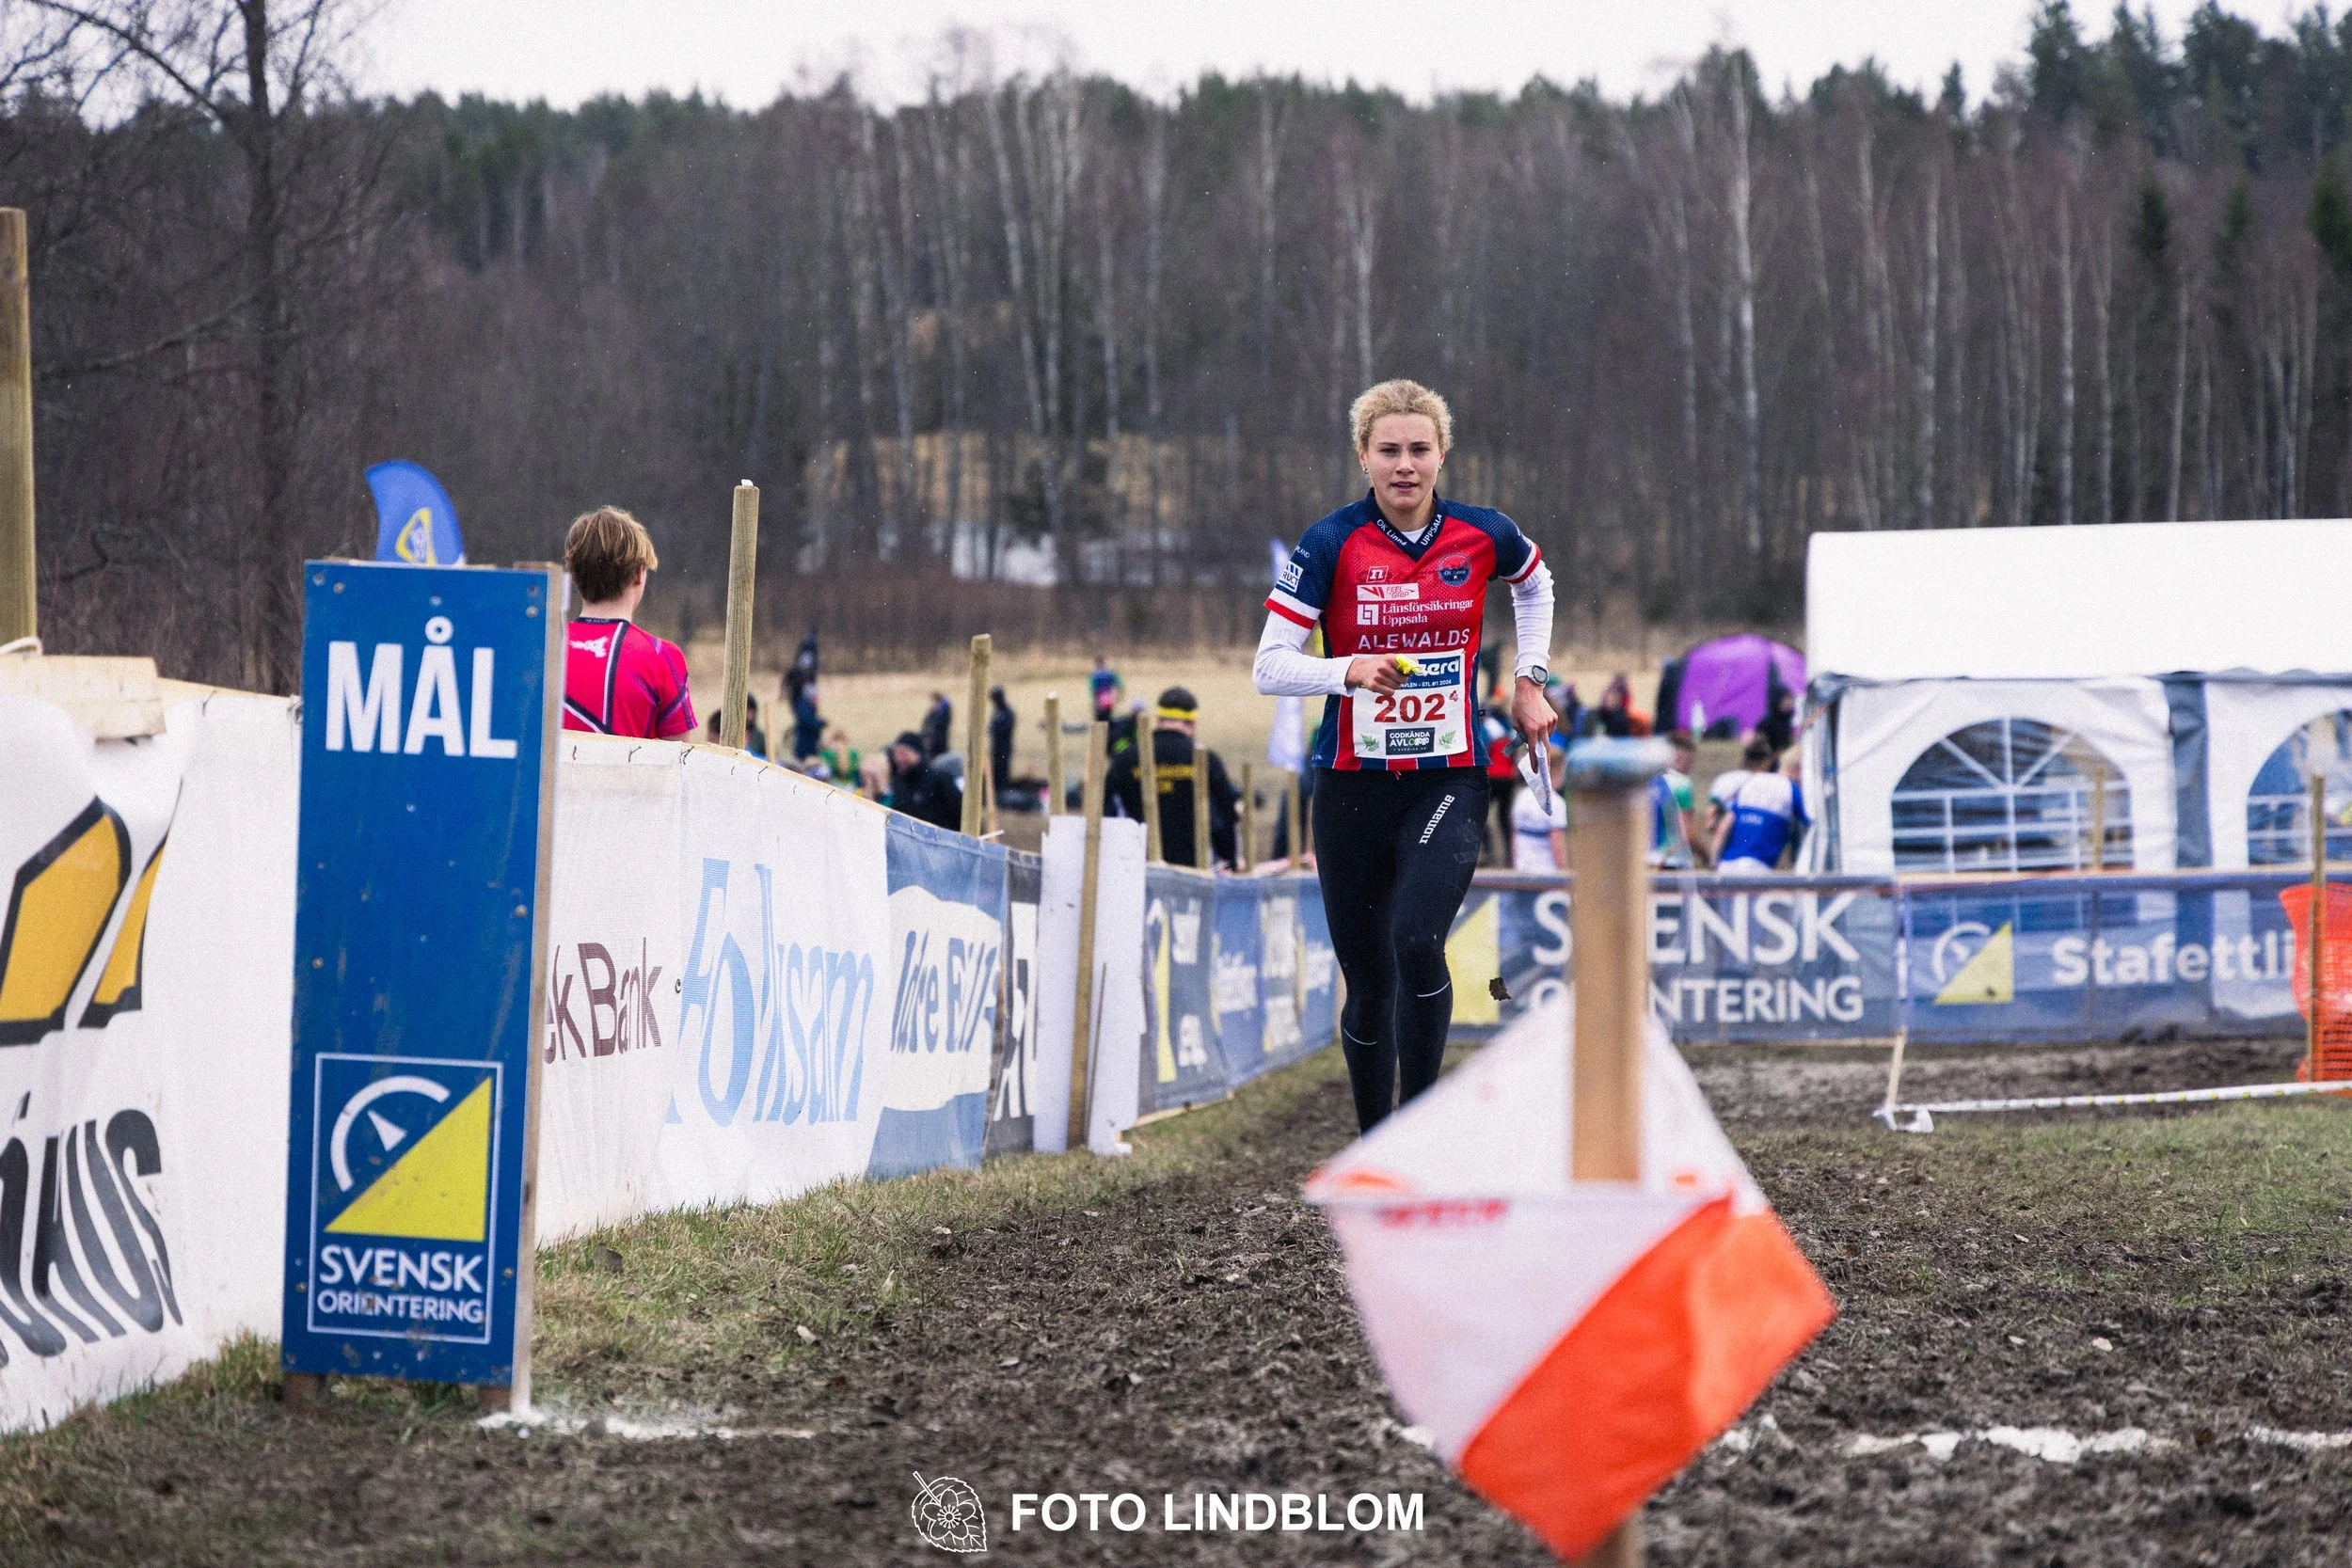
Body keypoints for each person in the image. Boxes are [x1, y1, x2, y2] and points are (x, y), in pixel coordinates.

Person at [1253, 378, 1555, 1132]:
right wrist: (1345, 670)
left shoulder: (1483, 533)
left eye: (1420, 449)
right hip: (1351, 788)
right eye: (1389, 450)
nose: (1405, 465)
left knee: (1419, 940)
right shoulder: (1330, 542)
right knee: (1368, 987)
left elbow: (1535, 585)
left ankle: (1419, 1134)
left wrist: (1529, 679)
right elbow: (1267, 666)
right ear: (1363, 457)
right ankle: (1375, 1142)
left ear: (1442, 454)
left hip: (1447, 779)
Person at [562, 506, 698, 740]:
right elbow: (679, 764)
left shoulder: (540, 649)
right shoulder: (662, 658)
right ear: (638, 574)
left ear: (573, 577)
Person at [1106, 687, 1239, 868]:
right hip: (1192, 871)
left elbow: (1106, 812)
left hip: (1137, 869)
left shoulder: (1126, 759)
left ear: (1158, 719)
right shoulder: (1206, 760)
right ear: (1193, 723)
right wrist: (1229, 859)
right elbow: (1225, 817)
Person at [1714, 737, 1807, 873]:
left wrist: (1714, 862)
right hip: (1759, 868)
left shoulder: (1751, 781)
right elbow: (1812, 825)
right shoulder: (1792, 790)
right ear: (1798, 768)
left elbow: (1723, 828)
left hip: (1727, 864)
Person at [1510, 740, 1569, 873]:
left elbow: (1515, 840)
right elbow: (1558, 848)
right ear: (1555, 770)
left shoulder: (1521, 797)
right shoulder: (1555, 803)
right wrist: (1565, 875)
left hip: (1522, 871)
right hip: (1547, 874)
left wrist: (1515, 869)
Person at [886, 730, 962, 831]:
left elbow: (959, 813)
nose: (899, 759)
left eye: (904, 754)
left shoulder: (939, 780)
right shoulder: (896, 784)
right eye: (896, 754)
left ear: (918, 754)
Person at [1651, 729, 1704, 869]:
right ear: (1679, 757)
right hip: (1672, 861)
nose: (1690, 767)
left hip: (1647, 859)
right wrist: (1706, 856)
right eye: (1690, 761)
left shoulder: (1649, 782)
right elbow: (1686, 832)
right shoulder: (1681, 783)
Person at [988, 686, 1016, 797]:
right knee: (995, 767)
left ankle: (1003, 790)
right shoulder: (997, 711)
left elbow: (1007, 728)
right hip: (996, 745)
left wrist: (994, 728)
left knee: (1003, 767)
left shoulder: (1008, 711)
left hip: (1004, 746)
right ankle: (996, 790)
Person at [820, 727, 861, 794]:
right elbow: (857, 773)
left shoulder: (827, 754)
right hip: (850, 789)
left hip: (831, 788)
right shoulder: (854, 754)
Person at [791, 681, 822, 761]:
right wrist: (821, 722)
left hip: (808, 744)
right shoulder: (804, 708)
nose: (818, 700)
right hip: (804, 746)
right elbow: (809, 723)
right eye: (816, 697)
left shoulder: (808, 707)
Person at [919, 691, 953, 759]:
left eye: (933, 701)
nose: (932, 703)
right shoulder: (938, 710)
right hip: (936, 739)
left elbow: (935, 726)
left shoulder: (940, 711)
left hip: (936, 741)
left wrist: (927, 737)